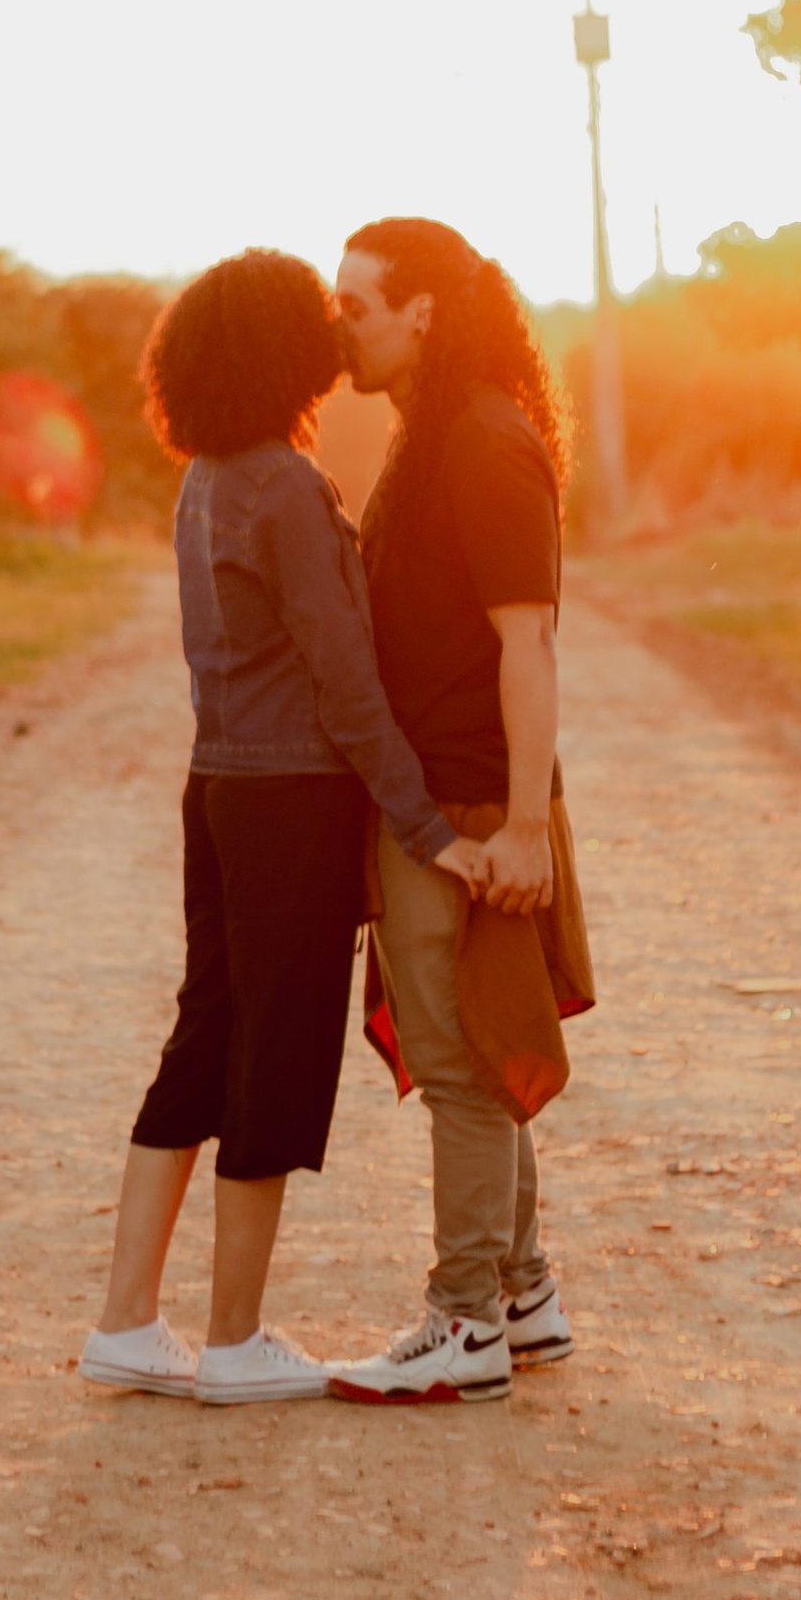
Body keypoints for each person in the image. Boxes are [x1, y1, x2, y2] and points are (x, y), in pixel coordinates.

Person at [83, 248, 493, 1407]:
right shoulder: (287, 485)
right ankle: (234, 1340)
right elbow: (344, 679)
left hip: (214, 786)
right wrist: (424, 825)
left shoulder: (206, 478)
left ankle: (127, 1320)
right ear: (280, 350)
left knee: (204, 1039)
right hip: (289, 802)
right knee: (274, 1053)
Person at [320, 216, 593, 1407]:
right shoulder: (435, 435)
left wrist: (522, 828)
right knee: (472, 1053)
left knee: (462, 1067)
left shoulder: (484, 439)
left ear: (422, 310)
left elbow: (525, 642)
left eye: (358, 307)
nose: (343, 331)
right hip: (444, 799)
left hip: (475, 808)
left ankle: (463, 1320)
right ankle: (522, 1293)